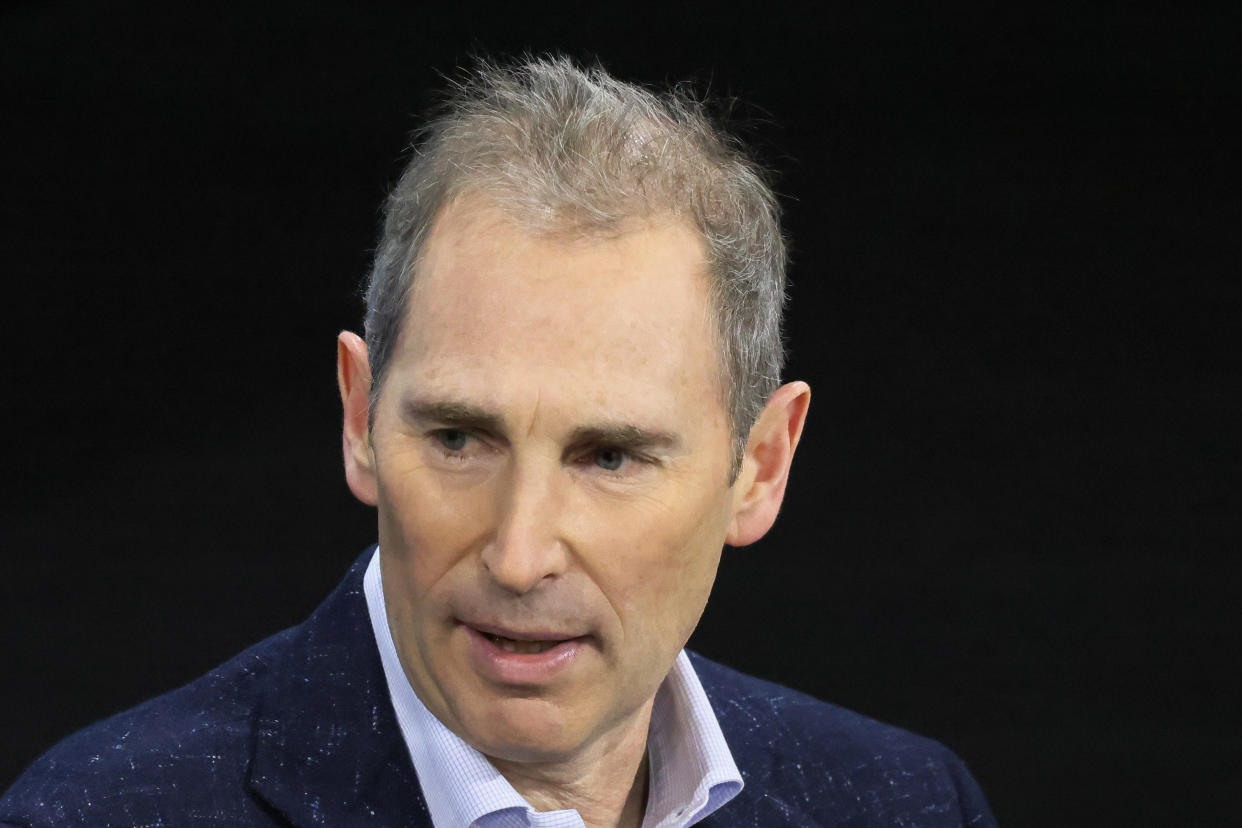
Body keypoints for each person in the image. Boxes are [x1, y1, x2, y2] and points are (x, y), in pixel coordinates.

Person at [1, 56, 995, 827]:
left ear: (760, 467)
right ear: (360, 419)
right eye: (461, 439)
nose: (518, 557)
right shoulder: (101, 812)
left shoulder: (903, 803)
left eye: (609, 457)